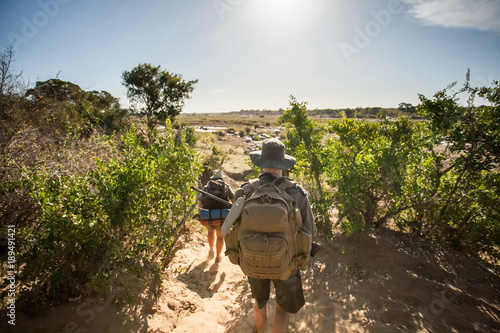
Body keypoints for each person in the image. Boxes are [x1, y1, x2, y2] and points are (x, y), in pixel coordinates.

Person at [234, 138, 317, 333]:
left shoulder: (244, 191)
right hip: (287, 262)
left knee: (259, 302)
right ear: (283, 164)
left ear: (261, 162)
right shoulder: (297, 193)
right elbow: (310, 233)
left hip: (252, 259)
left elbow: (233, 227)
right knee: (282, 308)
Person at [199, 170, 235, 263]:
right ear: (221, 178)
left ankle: (211, 251)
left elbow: (200, 203)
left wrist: (200, 215)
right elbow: (234, 202)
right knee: (220, 237)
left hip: (209, 215)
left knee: (210, 232)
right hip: (222, 216)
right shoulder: (226, 187)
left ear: (213, 178)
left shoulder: (206, 187)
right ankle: (218, 257)